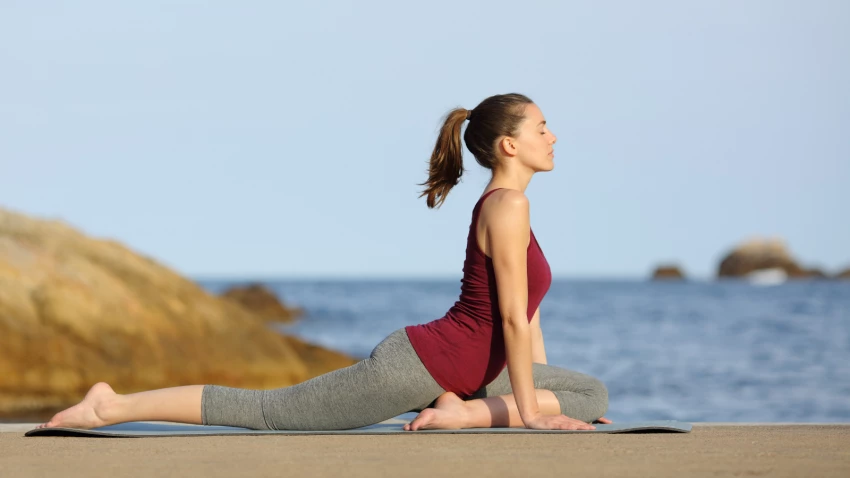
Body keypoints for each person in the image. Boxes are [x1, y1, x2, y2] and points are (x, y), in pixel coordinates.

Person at [37, 93, 610, 432]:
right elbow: (509, 320)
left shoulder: (516, 208)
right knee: (269, 412)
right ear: (510, 145)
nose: (553, 135)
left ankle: (457, 410)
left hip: (470, 373)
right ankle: (110, 405)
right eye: (541, 127)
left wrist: (528, 392)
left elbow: (527, 315)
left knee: (591, 396)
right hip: (418, 366)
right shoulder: (507, 206)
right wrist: (530, 416)